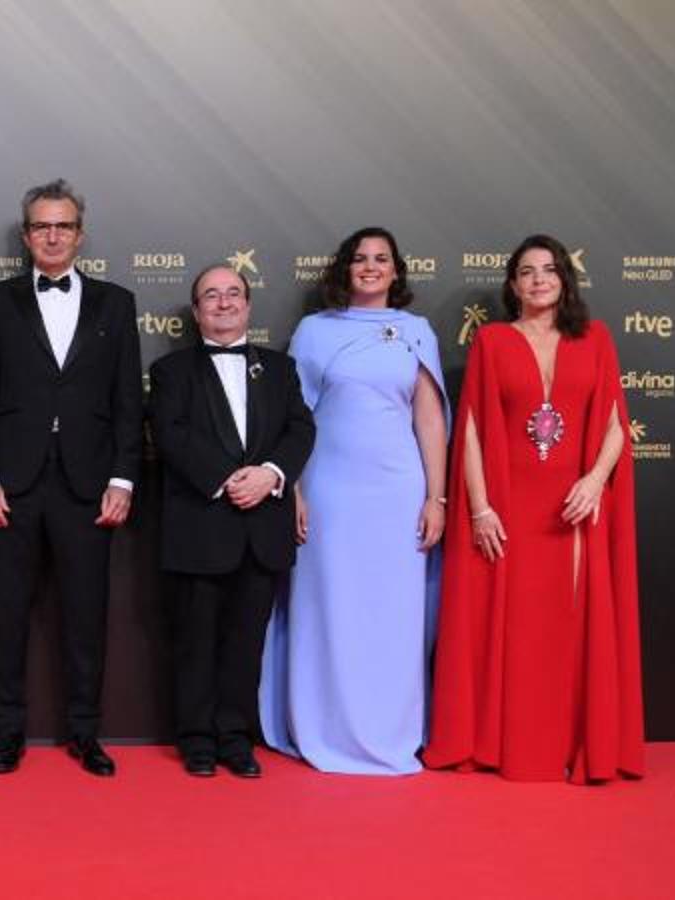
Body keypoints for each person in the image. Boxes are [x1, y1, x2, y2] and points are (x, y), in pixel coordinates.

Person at [425, 234, 642, 783]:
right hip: (510, 507)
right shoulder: (493, 341)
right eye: (527, 271)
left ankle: (571, 743)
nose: (539, 279)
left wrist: (595, 481)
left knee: (570, 626)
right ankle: (512, 743)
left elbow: (615, 424)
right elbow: (471, 430)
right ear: (513, 284)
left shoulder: (595, 338)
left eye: (549, 269)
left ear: (565, 279)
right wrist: (480, 508)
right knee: (517, 629)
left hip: (574, 506)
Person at [0, 179, 141, 777]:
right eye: (42, 226)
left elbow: (127, 402)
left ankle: (85, 733)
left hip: (89, 486)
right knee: (6, 616)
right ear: (26, 235)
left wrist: (123, 479)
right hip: (11, 485)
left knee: (87, 617)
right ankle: (9, 733)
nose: (53, 236)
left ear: (80, 235)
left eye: (63, 226)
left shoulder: (116, 303)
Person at [257, 227, 448, 775]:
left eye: (381, 258)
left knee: (393, 615)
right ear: (345, 268)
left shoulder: (416, 331)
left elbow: (429, 420)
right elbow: (292, 416)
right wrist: (293, 489)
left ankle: (389, 730)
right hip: (329, 491)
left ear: (396, 271)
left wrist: (436, 498)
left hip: (397, 493)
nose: (370, 266)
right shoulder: (314, 331)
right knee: (328, 607)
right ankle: (324, 727)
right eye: (360, 258)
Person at [148, 264, 314, 779]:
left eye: (233, 293)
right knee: (196, 641)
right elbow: (170, 434)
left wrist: (270, 474)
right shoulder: (171, 371)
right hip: (201, 524)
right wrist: (226, 480)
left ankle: (235, 737)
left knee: (247, 643)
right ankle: (197, 739)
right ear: (196, 311)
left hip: (262, 528)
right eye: (211, 296)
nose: (224, 303)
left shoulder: (280, 369)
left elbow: (300, 428)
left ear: (248, 304)